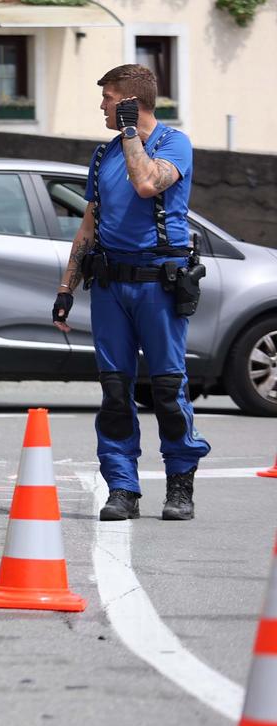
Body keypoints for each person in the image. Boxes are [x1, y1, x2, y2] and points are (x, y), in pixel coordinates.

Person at [52, 63, 210, 521]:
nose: (100, 106)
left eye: (107, 98)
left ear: (129, 102)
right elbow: (90, 222)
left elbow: (146, 185)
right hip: (109, 286)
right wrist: (67, 287)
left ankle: (180, 485)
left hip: (158, 284)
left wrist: (130, 135)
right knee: (115, 389)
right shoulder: (103, 155)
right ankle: (122, 488)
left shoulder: (174, 144)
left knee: (166, 386)